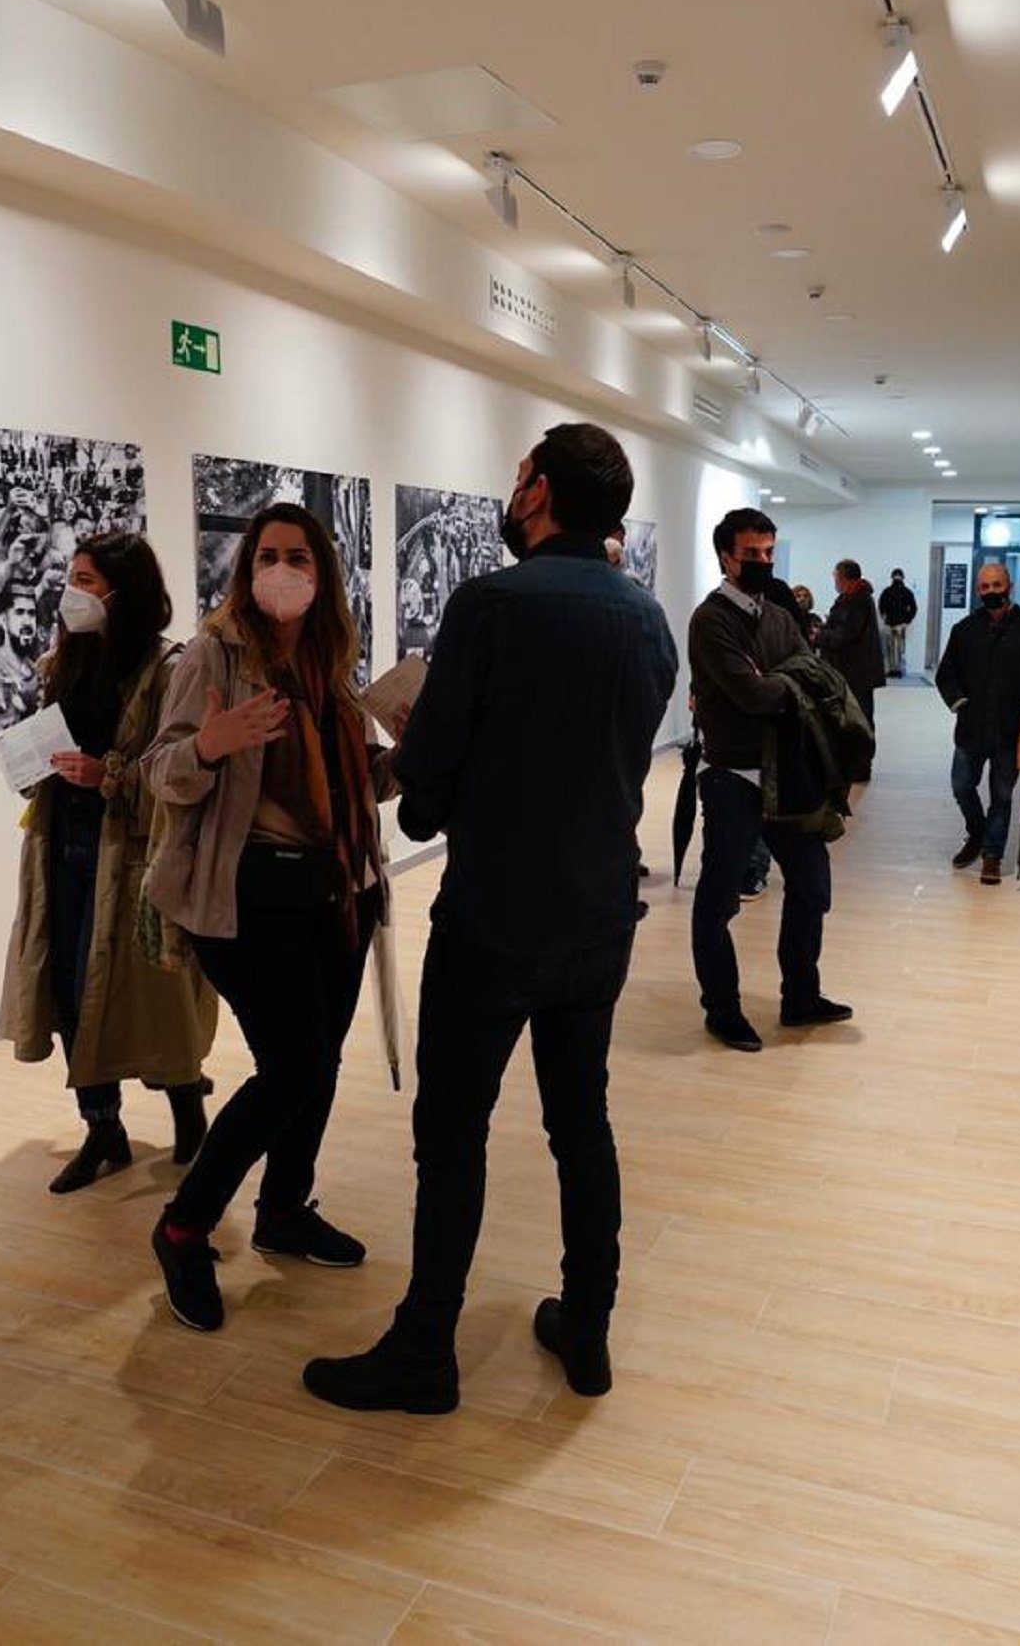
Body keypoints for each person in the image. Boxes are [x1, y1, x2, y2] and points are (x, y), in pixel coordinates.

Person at [302, 423, 677, 1415]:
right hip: (600, 913)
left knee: (453, 1131)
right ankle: (588, 1324)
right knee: (579, 1123)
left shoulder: (489, 605)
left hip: (495, 918)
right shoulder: (648, 621)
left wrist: (416, 769)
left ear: (539, 493)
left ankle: (427, 1344)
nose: (511, 495)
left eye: (519, 480)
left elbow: (430, 775)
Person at [141, 501, 398, 1333]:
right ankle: (184, 1224)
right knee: (290, 1068)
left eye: (298, 556)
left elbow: (355, 783)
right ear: (245, 568)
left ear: (321, 572)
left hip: (338, 888)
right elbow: (162, 773)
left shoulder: (328, 659)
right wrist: (209, 745)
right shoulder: (213, 654)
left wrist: (408, 758)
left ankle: (285, 1206)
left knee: (315, 1063)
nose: (281, 570)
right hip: (247, 898)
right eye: (266, 556)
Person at [0, 532, 217, 1194]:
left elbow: (181, 774)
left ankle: (188, 1110)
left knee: (159, 996)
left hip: (136, 860)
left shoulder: (170, 669)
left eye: (87, 579)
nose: (73, 591)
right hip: (61, 849)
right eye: (73, 576)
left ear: (124, 591)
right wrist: (28, 762)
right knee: (69, 988)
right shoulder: (60, 664)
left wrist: (111, 774)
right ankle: (103, 1128)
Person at [687, 508, 848, 1053]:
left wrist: (779, 681)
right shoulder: (710, 621)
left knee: (811, 888)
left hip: (787, 772)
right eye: (751, 554)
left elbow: (817, 677)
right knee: (719, 900)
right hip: (731, 775)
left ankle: (801, 995)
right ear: (726, 557)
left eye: (768, 553)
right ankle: (722, 1009)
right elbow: (754, 695)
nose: (761, 562)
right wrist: (784, 683)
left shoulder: (776, 615)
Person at [935, 560, 1020, 886]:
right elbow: (945, 674)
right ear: (978, 591)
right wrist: (958, 701)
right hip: (971, 728)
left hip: (1011, 729)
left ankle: (992, 854)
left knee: (1002, 796)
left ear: (1009, 587)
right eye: (985, 587)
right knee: (962, 785)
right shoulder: (964, 631)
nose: (991, 592)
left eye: (997, 586)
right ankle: (977, 832)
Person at [815, 557, 885, 734]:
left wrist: (819, 635)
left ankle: (860, 756)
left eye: (835, 577)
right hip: (855, 671)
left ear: (844, 578)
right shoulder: (853, 598)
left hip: (855, 672)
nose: (835, 581)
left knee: (859, 717)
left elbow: (844, 635)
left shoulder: (856, 600)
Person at [878, 567, 918, 678]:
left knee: (899, 648)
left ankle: (898, 670)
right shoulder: (887, 592)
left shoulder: (907, 592)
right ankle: (892, 670)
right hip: (890, 624)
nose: (897, 578)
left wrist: (905, 623)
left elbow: (913, 608)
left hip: (901, 625)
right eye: (896, 576)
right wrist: (884, 619)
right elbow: (881, 606)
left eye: (898, 576)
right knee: (890, 648)